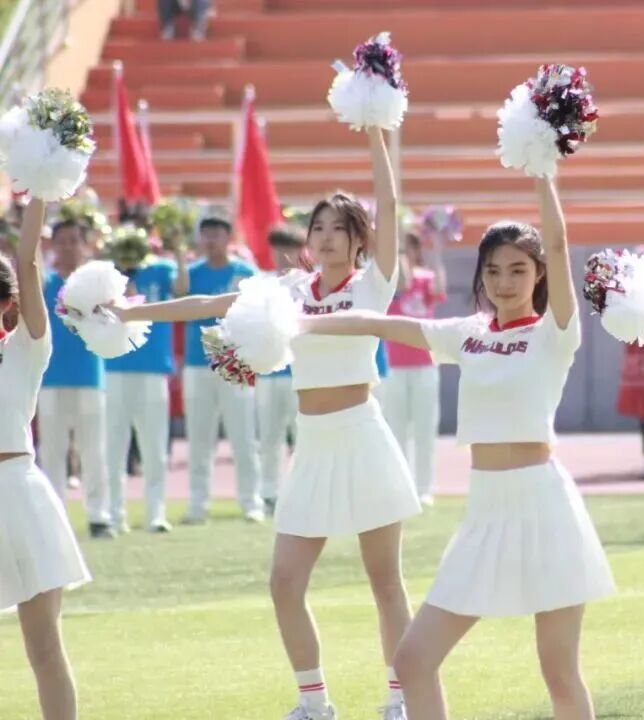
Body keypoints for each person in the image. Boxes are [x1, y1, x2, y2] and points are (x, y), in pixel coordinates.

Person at [113, 127, 419, 720]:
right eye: (318, 227)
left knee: (385, 582)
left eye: (339, 228)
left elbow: (388, 199)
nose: (325, 237)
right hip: (313, 445)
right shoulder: (288, 289)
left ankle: (400, 699)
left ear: (360, 238)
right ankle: (314, 703)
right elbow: (209, 305)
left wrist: (376, 127)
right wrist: (130, 313)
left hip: (363, 435)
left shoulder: (373, 283)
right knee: (284, 581)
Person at [298, 177, 615, 720]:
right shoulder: (467, 333)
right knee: (414, 660)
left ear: (539, 274)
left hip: (545, 508)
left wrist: (543, 173)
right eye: (492, 270)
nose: (504, 282)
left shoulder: (555, 333)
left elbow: (560, 244)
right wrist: (291, 322)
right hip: (485, 512)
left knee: (559, 672)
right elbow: (377, 322)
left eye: (518, 269)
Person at [1, 197, 91, 720]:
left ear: (7, 304)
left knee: (43, 648)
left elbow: (28, 261)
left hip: (20, 492)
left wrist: (39, 188)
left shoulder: (26, 348)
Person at [179, 214, 264, 524]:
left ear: (229, 238)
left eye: (217, 234)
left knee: (243, 436)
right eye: (207, 235)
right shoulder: (190, 274)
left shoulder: (245, 272)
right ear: (200, 239)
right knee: (200, 438)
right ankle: (198, 504)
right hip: (198, 359)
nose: (211, 240)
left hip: (232, 356)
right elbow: (179, 299)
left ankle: (251, 502)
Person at [103, 230, 189, 534]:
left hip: (153, 369)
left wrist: (178, 252)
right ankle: (115, 515)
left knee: (154, 447)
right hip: (114, 368)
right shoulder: (107, 276)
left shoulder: (162, 269)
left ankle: (156, 514)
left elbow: (182, 289)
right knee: (113, 447)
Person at [37, 217, 111, 538]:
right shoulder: (43, 284)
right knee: (52, 451)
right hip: (50, 377)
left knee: (93, 449)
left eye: (74, 240)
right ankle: (55, 517)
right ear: (52, 246)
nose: (68, 247)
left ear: (84, 245)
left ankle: (99, 516)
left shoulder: (97, 287)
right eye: (62, 241)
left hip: (89, 375)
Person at [378, 229, 447, 506]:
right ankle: (400, 487)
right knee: (396, 430)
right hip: (394, 367)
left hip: (424, 365)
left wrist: (437, 252)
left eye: (410, 247)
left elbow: (439, 289)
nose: (406, 252)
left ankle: (424, 488)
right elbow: (403, 282)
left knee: (424, 430)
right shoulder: (390, 281)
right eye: (402, 247)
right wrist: (396, 249)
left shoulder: (426, 278)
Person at [256, 225, 305, 514]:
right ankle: (269, 494)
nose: (283, 256)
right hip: (269, 372)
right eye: (278, 249)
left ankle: (302, 493)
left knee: (304, 439)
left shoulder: (310, 284)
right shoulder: (261, 283)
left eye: (289, 249)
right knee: (269, 438)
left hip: (301, 374)